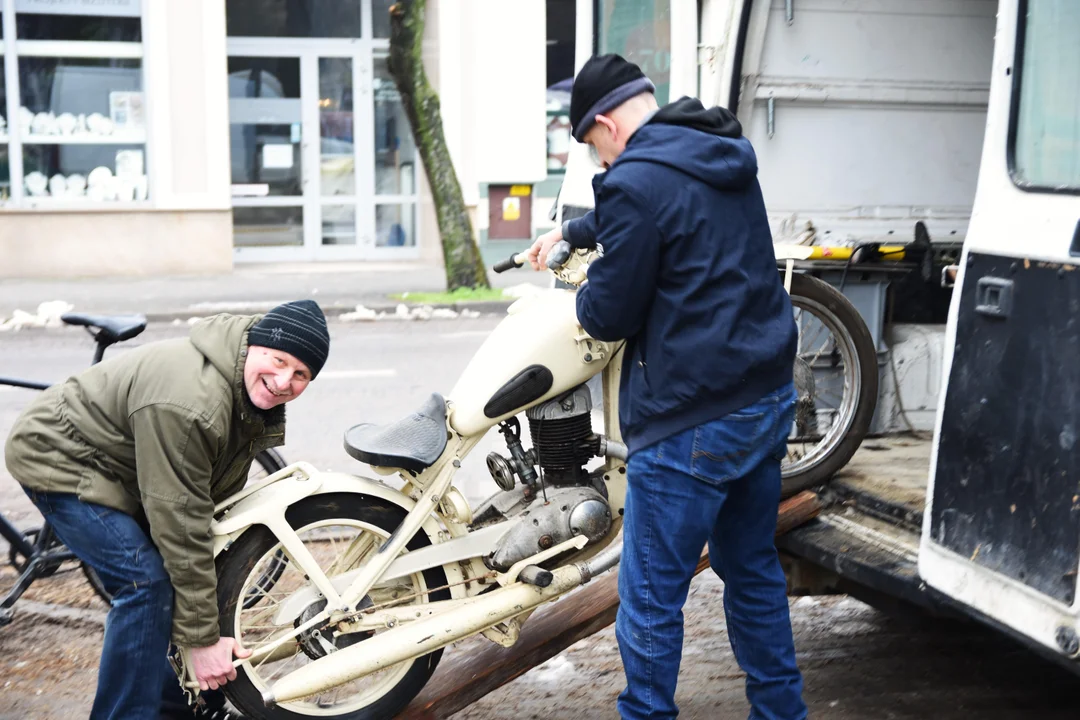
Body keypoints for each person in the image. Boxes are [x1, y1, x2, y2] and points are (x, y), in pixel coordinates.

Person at [526, 54, 807, 720]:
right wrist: (572, 231)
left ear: (604, 126)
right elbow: (659, 204)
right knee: (753, 573)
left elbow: (610, 313)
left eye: (594, 148)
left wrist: (589, 282)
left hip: (692, 419)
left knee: (651, 596)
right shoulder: (717, 148)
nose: (601, 164)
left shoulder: (633, 181)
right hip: (763, 397)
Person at [5, 300, 331, 720]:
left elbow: (197, 508)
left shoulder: (239, 387)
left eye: (301, 374)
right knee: (145, 584)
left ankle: (173, 706)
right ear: (254, 345)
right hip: (60, 456)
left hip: (122, 464)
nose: (284, 380)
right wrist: (202, 639)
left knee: (178, 577)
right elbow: (181, 520)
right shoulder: (193, 404)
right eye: (278, 359)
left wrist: (203, 629)